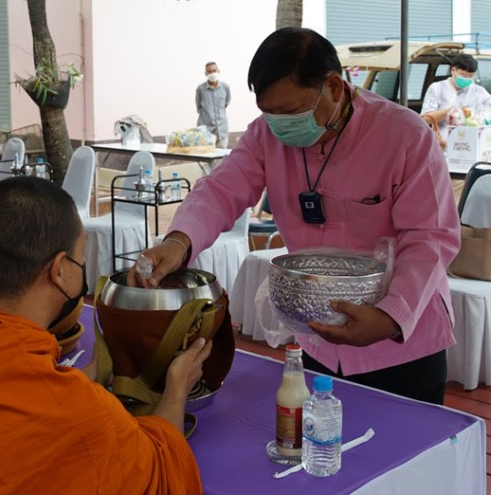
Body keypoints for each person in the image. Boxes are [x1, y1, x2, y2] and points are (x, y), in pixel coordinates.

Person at [134, 27, 460, 406]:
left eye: (290, 112)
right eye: (269, 113)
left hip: (400, 345)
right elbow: (220, 190)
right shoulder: (267, 134)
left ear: (334, 87)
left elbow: (429, 237)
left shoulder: (404, 136)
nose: (280, 125)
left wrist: (390, 317)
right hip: (317, 335)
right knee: (318, 434)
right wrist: (179, 241)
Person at [0, 177, 209, 494]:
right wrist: (177, 388)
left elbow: (2, 399)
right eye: (80, 256)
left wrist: (90, 374)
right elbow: (163, 468)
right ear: (60, 270)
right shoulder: (80, 412)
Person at [420, 53, 491, 141]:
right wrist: (448, 112)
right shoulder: (437, 88)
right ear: (453, 70)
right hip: (443, 142)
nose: (467, 79)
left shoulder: (478, 91)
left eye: (470, 76)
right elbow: (426, 118)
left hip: (471, 142)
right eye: (463, 75)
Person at [196, 61, 231, 148]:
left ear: (218, 71)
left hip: (222, 130)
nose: (212, 73)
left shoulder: (225, 88)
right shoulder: (200, 89)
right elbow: (199, 106)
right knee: (206, 155)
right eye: (209, 72)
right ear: (206, 73)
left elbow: (226, 103)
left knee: (222, 155)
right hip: (205, 131)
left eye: (214, 71)